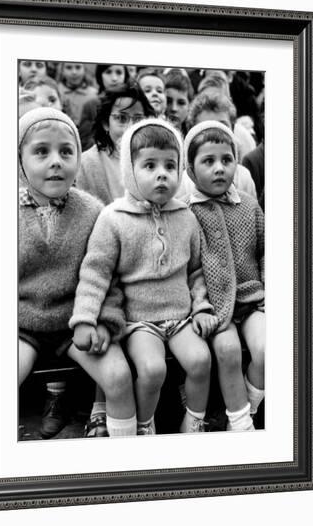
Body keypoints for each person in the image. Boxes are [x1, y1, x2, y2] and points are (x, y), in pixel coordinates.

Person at [70, 118, 218, 435]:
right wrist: (85, 318)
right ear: (129, 169)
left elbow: (196, 270)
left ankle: (194, 422)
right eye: (149, 165)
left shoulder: (186, 216)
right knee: (152, 369)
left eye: (169, 165)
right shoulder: (114, 218)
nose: (161, 173)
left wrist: (202, 306)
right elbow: (96, 273)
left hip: (180, 317)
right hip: (139, 321)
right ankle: (143, 425)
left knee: (200, 360)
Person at [18, 107, 137, 438]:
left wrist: (103, 321)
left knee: (117, 376)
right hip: (22, 323)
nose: (56, 161)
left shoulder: (93, 211)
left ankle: (126, 456)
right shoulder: (2, 211)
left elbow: (107, 277)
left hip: (75, 320)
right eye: (41, 151)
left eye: (66, 151)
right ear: (19, 160)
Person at [183, 120, 265, 431]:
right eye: (208, 161)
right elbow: (189, 270)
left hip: (252, 296)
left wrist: (271, 291)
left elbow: (266, 250)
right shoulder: (187, 213)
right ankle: (240, 423)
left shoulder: (249, 206)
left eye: (226, 160)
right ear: (190, 170)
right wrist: (200, 307)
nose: (219, 168)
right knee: (228, 351)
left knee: (268, 349)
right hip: (216, 309)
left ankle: (252, 406)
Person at [77, 83, 155, 206]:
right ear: (106, 123)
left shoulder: (156, 158)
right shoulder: (86, 163)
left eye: (138, 119)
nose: (130, 127)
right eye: (121, 118)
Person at [178, 90, 257, 198]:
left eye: (222, 126)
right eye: (206, 129)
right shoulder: (184, 183)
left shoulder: (243, 177)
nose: (215, 134)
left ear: (233, 129)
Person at [78, 64, 130, 151]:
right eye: (108, 72)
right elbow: (85, 141)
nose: (114, 78)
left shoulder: (132, 104)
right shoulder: (91, 105)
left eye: (119, 72)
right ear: (100, 75)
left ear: (125, 76)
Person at [164, 70, 194, 137]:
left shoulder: (194, 139)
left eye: (181, 103)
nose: (174, 108)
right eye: (168, 101)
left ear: (189, 106)